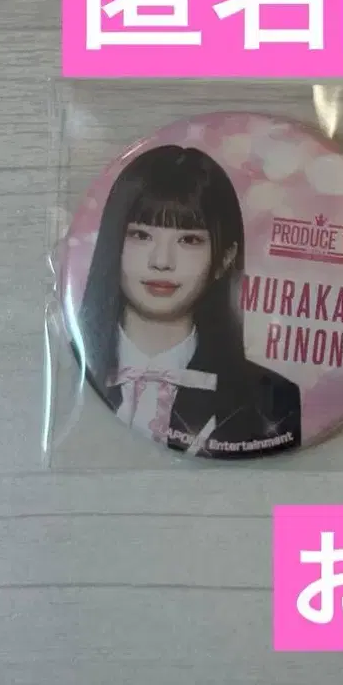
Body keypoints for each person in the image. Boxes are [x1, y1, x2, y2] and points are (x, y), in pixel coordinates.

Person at [74, 143, 302, 459]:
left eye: (189, 239)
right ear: (113, 243)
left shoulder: (272, 401)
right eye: (141, 235)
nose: (161, 261)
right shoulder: (70, 371)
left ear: (225, 258)